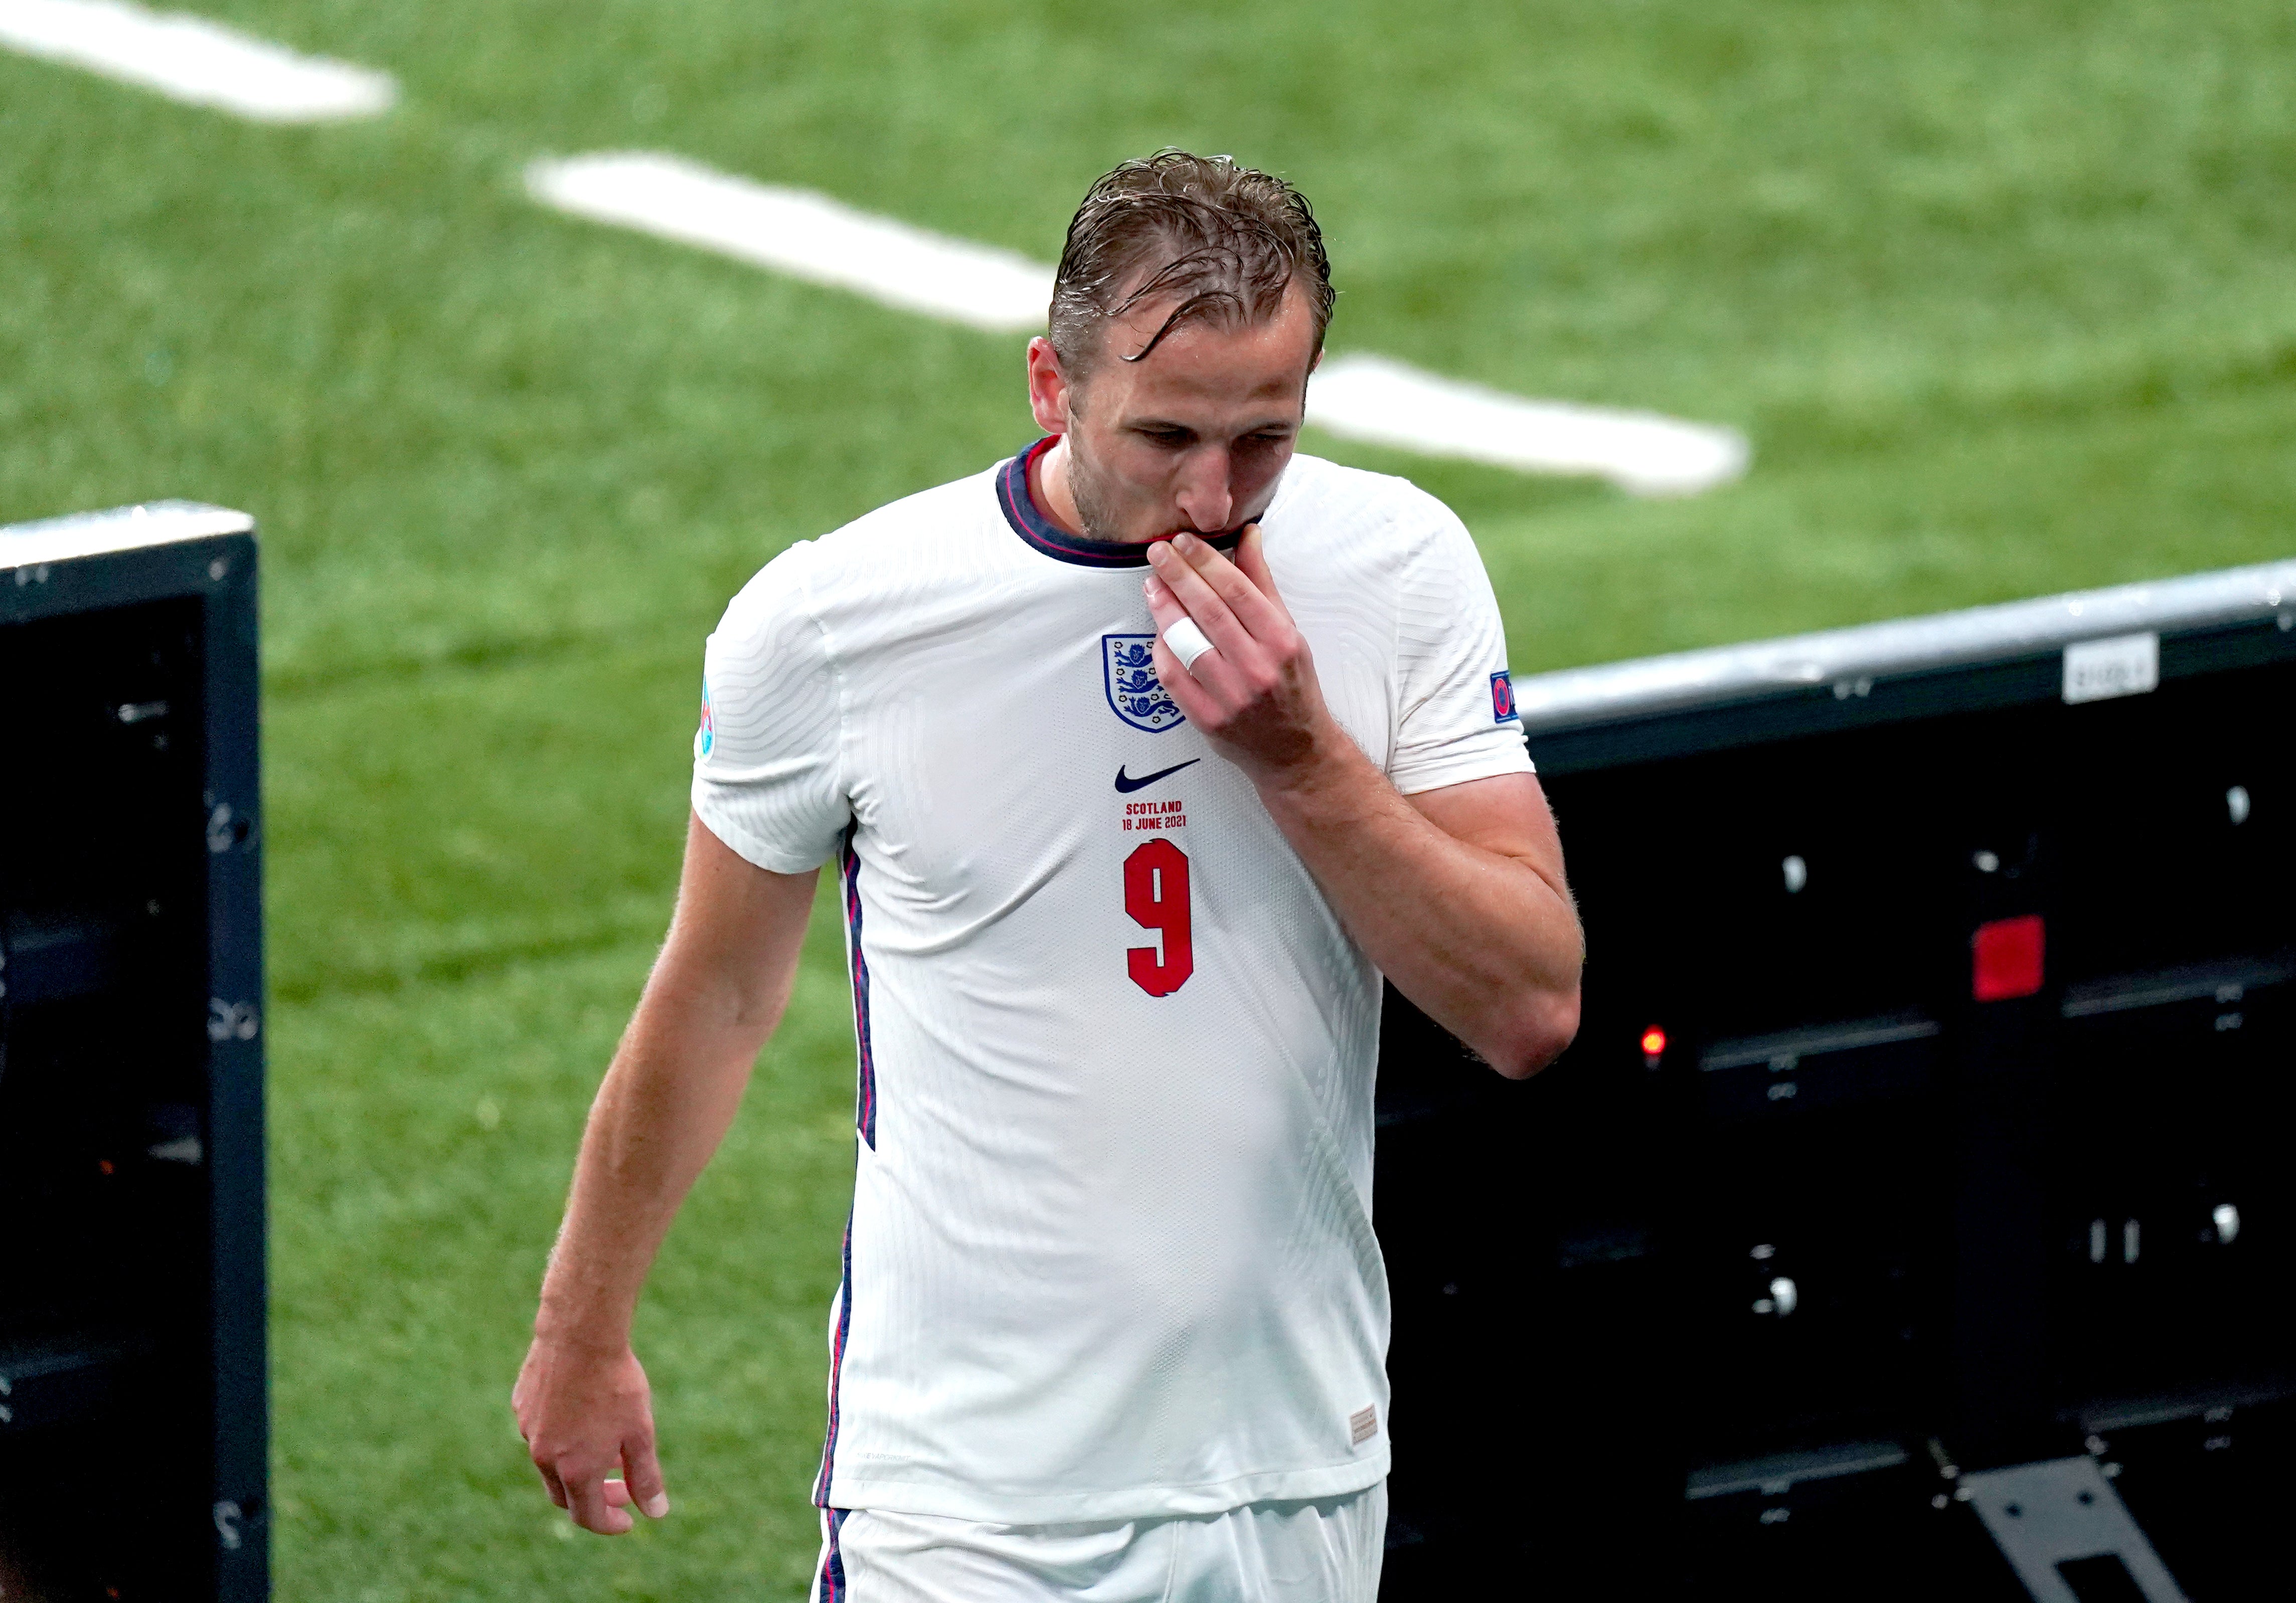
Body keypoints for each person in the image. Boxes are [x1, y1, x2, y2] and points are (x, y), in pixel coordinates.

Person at [513, 150, 1583, 1601]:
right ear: (1047, 386)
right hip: (969, 1503)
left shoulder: (1397, 566)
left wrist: (1302, 759)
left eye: (1264, 438)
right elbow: (714, 999)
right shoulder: (833, 623)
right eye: (1166, 438)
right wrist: (581, 1329)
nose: (1211, 497)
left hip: (1292, 1470)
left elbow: (1527, 1000)